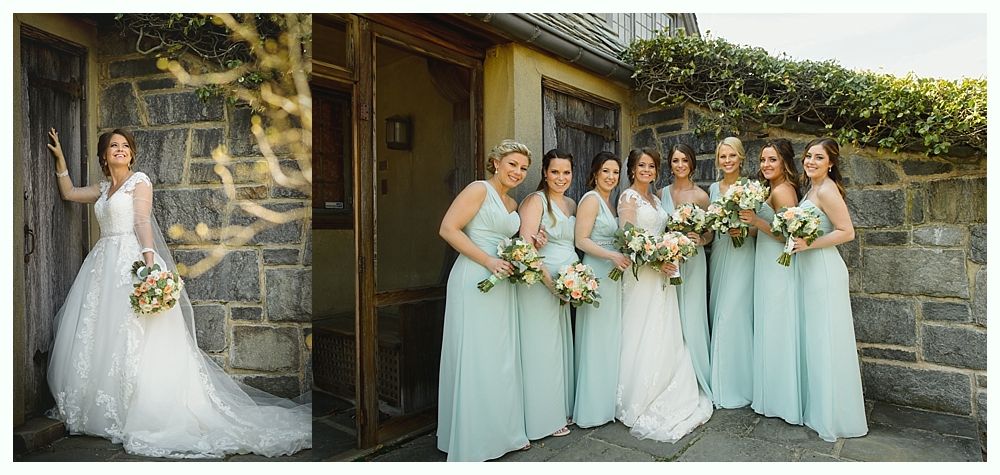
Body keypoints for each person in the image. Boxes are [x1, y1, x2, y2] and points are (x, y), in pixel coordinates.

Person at [45, 128, 311, 459]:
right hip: (101, 266)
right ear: (103, 155)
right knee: (103, 335)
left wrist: (149, 266)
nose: (120, 150)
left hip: (130, 261)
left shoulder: (139, 181)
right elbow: (69, 193)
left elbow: (142, 222)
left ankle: (142, 409)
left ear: (132, 154)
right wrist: (60, 159)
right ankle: (104, 407)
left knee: (137, 336)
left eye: (125, 146)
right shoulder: (103, 188)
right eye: (113, 146)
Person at [437, 139, 532, 461]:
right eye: (512, 165)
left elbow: (507, 240)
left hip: (502, 281)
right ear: (495, 162)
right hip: (474, 278)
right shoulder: (478, 189)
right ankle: (472, 440)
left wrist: (524, 246)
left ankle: (502, 434)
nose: (518, 172)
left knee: (500, 356)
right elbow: (449, 229)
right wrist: (488, 261)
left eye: (523, 168)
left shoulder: (513, 203)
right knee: (475, 355)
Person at [616, 148, 712, 442]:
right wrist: (657, 259)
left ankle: (664, 384)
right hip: (642, 275)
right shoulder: (628, 198)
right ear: (632, 169)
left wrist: (669, 252)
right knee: (640, 329)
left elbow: (664, 233)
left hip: (663, 272)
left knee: (664, 329)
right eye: (641, 165)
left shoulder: (656, 200)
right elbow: (628, 240)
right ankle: (637, 393)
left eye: (651, 166)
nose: (647, 170)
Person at [792, 137, 868, 442]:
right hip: (809, 269)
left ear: (831, 163)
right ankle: (819, 408)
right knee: (816, 339)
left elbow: (846, 232)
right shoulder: (811, 189)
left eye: (818, 158)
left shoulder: (827, 190)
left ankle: (834, 417)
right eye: (808, 156)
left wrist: (808, 243)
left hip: (824, 269)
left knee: (827, 339)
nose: (811, 161)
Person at [738, 138, 803, 424]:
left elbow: (788, 236)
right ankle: (771, 393)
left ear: (785, 162)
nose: (765, 165)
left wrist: (755, 221)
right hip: (765, 261)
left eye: (772, 160)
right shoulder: (772, 189)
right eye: (763, 160)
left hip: (778, 265)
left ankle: (782, 399)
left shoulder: (784, 191)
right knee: (769, 324)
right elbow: (766, 229)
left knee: (778, 325)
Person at [517, 149, 577, 440]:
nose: (560, 178)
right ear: (544, 173)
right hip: (540, 284)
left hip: (564, 286)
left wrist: (574, 283)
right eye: (555, 172)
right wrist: (551, 284)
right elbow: (526, 251)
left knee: (557, 348)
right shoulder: (534, 202)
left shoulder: (571, 203)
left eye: (566, 172)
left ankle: (557, 408)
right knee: (541, 349)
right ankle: (541, 418)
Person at [572, 151, 629, 428]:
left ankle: (608, 403)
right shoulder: (591, 199)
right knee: (596, 338)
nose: (611, 177)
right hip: (597, 272)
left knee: (609, 337)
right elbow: (581, 240)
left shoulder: (611, 202)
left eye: (615, 172)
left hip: (613, 272)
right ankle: (592, 409)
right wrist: (611, 256)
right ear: (595, 173)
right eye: (606, 171)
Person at [660, 143, 714, 402]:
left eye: (684, 160)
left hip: (693, 261)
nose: (679, 165)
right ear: (670, 165)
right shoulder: (661, 194)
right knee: (670, 315)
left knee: (692, 314)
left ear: (692, 164)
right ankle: (670, 375)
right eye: (675, 160)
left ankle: (696, 374)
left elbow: (711, 231)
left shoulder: (701, 196)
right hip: (670, 262)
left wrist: (701, 239)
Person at [707, 137, 756, 409]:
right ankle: (720, 382)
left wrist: (744, 230)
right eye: (722, 156)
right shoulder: (714, 188)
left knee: (734, 313)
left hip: (742, 253)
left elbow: (760, 225)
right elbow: (711, 226)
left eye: (731, 156)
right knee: (719, 311)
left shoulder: (751, 187)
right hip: (721, 251)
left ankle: (740, 385)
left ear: (740, 158)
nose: (727, 161)